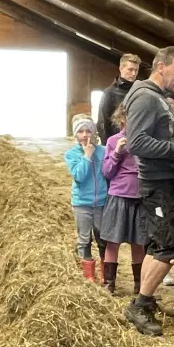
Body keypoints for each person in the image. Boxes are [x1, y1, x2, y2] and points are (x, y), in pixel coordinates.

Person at [123, 46, 174, 337]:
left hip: (168, 180)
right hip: (157, 182)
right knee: (165, 246)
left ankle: (146, 300)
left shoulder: (159, 99)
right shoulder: (145, 97)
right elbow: (136, 142)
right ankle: (139, 306)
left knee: (160, 243)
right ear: (160, 67)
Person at [100, 106, 146, 296]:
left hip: (140, 196)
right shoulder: (113, 141)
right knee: (112, 242)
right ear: (122, 119)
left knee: (139, 243)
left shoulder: (145, 141)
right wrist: (117, 152)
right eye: (130, 117)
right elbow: (107, 172)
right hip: (119, 195)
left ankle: (140, 285)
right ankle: (109, 284)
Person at [65, 115, 108, 283]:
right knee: (84, 239)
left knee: (103, 239)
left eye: (88, 130)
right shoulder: (72, 154)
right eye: (80, 131)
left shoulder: (104, 151)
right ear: (75, 135)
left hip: (102, 203)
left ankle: (106, 275)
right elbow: (79, 176)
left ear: (94, 132)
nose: (84, 134)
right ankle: (88, 277)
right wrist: (87, 156)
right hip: (82, 203)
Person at [96, 54, 141, 141]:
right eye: (130, 69)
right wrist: (108, 147)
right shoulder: (109, 93)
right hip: (117, 143)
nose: (134, 73)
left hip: (138, 142)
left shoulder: (141, 90)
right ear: (121, 68)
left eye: (136, 70)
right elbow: (103, 123)